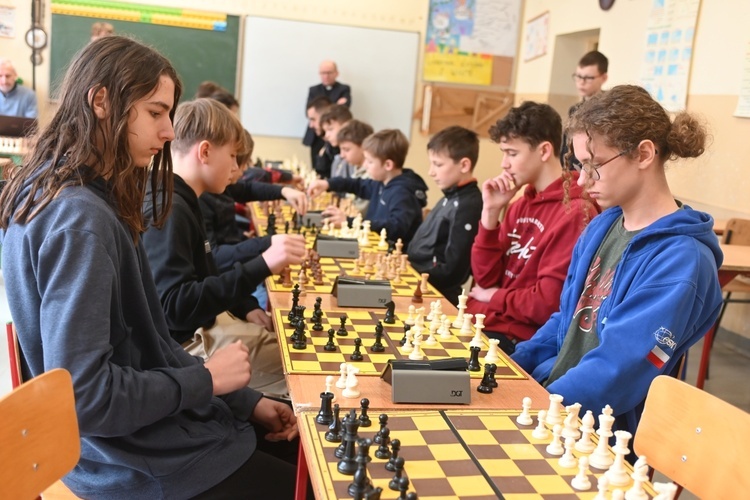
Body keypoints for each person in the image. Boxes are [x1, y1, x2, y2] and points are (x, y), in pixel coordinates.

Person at [0, 36, 302, 499]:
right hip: (135, 462)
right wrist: (205, 379)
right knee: (320, 481)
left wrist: (243, 399)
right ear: (101, 101)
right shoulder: (81, 220)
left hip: (140, 439)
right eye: (155, 113)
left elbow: (152, 344)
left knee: (299, 447)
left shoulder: (70, 192)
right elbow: (87, 397)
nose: (167, 132)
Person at [512, 85, 723, 436]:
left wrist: (539, 412)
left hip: (598, 432)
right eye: (580, 166)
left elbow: (617, 371)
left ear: (643, 154)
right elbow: (568, 319)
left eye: (594, 166)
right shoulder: (602, 226)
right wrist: (512, 367)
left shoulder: (682, 262)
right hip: (552, 400)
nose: (582, 181)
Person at [141, 98, 306, 397]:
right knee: (304, 367)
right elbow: (175, 308)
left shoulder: (183, 197)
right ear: (205, 152)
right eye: (232, 156)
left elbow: (203, 274)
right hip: (186, 345)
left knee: (291, 342)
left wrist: (244, 304)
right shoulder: (171, 208)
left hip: (204, 327)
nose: (236, 168)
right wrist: (264, 264)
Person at [466, 102, 598, 354]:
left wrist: (493, 297)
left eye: (512, 153)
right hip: (484, 323)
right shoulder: (518, 204)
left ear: (544, 150)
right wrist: (490, 213)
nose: (504, 163)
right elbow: (485, 279)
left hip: (517, 340)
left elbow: (546, 304)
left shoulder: (575, 212)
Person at [198, 129, 308, 273]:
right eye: (234, 159)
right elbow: (214, 257)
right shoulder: (202, 199)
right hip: (224, 276)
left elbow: (247, 189)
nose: (241, 170)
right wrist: (266, 243)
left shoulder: (220, 185)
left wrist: (284, 191)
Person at [307, 128, 428, 248]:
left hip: (391, 253)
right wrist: (328, 184)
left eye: (369, 162)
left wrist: (349, 222)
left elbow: (396, 227)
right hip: (373, 244)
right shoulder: (382, 182)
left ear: (388, 165)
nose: (365, 165)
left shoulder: (403, 192)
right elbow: (357, 184)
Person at [407, 126, 483, 305]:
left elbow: (453, 273)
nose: (431, 172)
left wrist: (412, 274)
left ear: (464, 165)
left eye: (438, 164)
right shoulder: (449, 198)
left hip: (437, 296)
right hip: (421, 284)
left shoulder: (468, 206)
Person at [562, 51, 609, 167]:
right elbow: (566, 148)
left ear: (603, 78)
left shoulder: (609, 109)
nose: (581, 83)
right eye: (578, 76)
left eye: (588, 78)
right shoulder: (574, 110)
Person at [302, 60, 351, 167]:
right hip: (315, 136)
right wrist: (334, 103)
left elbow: (341, 111)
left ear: (336, 73)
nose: (326, 76)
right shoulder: (314, 89)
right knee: (316, 164)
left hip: (335, 136)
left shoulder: (343, 89)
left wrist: (323, 109)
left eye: (329, 73)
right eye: (322, 73)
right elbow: (308, 111)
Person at [334, 119, 374, 215]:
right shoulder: (357, 169)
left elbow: (358, 212)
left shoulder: (372, 175)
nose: (342, 155)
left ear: (364, 147)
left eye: (346, 149)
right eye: (340, 149)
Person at [305, 95, 332, 176]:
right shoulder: (318, 143)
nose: (310, 125)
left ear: (325, 117)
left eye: (313, 119)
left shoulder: (338, 148)